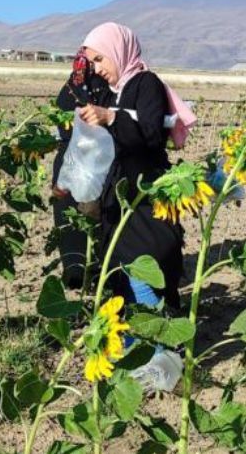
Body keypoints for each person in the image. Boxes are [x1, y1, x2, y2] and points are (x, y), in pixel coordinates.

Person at [75, 22, 184, 310]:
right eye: (91, 62)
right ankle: (134, 346)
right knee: (120, 273)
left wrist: (111, 118)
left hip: (144, 194)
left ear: (118, 50)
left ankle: (159, 343)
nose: (96, 69)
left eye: (100, 59)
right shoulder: (110, 91)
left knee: (146, 266)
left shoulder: (146, 83)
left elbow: (151, 135)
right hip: (117, 196)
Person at [51, 51, 109, 289]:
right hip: (93, 164)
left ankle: (75, 274)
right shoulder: (106, 88)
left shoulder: (71, 86)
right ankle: (93, 276)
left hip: (68, 165)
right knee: (91, 220)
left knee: (70, 220)